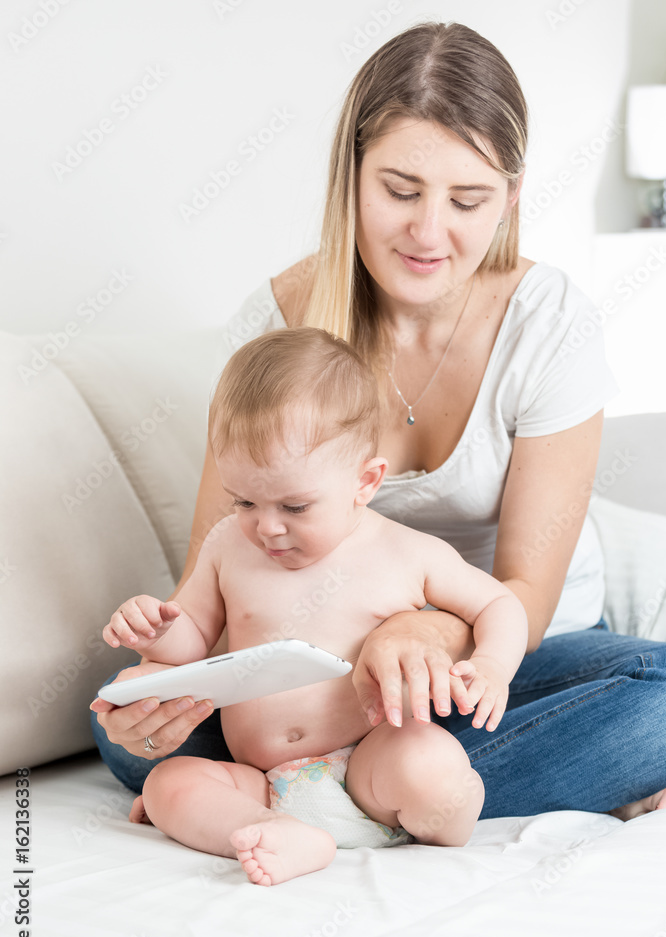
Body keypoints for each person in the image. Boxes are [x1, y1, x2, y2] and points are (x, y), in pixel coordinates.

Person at [91, 21, 666, 824]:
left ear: (509, 197)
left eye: (467, 200)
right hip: (310, 683)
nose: (428, 232)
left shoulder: (546, 325)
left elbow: (525, 596)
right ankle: (425, 792)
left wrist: (415, 633)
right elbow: (218, 569)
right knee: (120, 731)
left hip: (504, 662)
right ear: (352, 177)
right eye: (400, 191)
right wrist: (163, 691)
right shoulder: (275, 326)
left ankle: (325, 799)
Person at [100, 327, 525, 885]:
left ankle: (446, 812)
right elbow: (190, 640)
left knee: (428, 759)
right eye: (246, 500)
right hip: (265, 781)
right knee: (168, 783)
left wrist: (493, 666)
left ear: (365, 482)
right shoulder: (229, 544)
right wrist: (152, 630)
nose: (267, 526)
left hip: (369, 770)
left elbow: (499, 602)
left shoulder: (405, 552)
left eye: (295, 505)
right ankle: (278, 834)